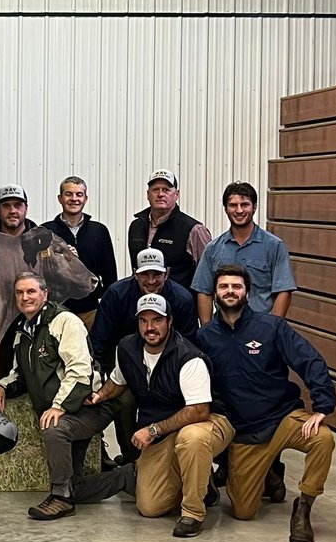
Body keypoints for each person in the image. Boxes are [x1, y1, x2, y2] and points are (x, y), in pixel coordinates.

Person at [196, 265, 336, 542]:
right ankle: (269, 470)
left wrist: (322, 406)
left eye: (236, 286)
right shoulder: (205, 337)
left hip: (283, 417)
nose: (230, 291)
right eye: (224, 287)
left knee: (323, 439)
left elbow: (310, 360)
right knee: (243, 511)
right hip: (246, 432)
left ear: (247, 292)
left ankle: (304, 506)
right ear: (215, 293)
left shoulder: (272, 327)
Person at [0, 272, 135, 522]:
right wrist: (1, 386)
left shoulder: (65, 321)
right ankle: (129, 477)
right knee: (73, 484)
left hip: (90, 407)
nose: (25, 297)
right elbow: (21, 375)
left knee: (54, 428)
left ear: (45, 294)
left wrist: (58, 406)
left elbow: (80, 370)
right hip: (68, 411)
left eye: (31, 291)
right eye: (19, 293)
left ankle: (61, 500)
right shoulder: (22, 332)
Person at [88, 294, 234, 538]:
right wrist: (99, 396)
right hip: (167, 430)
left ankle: (193, 512)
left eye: (157, 320)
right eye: (143, 321)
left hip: (207, 422)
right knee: (149, 507)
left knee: (192, 438)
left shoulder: (188, 357)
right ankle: (199, 481)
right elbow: (118, 381)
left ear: (169, 321)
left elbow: (199, 410)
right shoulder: (127, 348)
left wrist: (153, 430)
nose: (150, 327)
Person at [90, 248, 198, 464]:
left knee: (169, 400)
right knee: (124, 402)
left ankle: (169, 457)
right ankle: (132, 459)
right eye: (144, 274)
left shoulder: (183, 299)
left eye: (157, 274)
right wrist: (97, 378)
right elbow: (99, 341)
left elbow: (190, 346)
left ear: (167, 273)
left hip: (169, 364)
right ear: (134, 273)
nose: (151, 280)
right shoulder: (116, 294)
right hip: (128, 363)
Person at [192, 182, 296, 324]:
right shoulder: (212, 249)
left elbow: (284, 292)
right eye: (233, 205)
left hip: (261, 328)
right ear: (226, 209)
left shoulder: (274, 246)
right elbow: (204, 291)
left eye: (245, 204)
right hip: (223, 329)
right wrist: (207, 330)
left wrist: (272, 329)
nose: (239, 210)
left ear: (254, 208)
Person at [40, 176, 117, 329]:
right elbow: (40, 270)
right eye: (68, 194)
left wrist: (105, 303)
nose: (74, 199)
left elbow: (110, 274)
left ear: (85, 199)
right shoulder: (46, 231)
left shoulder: (99, 231)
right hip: (56, 311)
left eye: (79, 194)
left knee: (92, 345)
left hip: (91, 311)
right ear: (60, 198)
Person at [127, 169, 211, 290]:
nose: (160, 194)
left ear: (177, 194)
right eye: (155, 189)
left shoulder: (194, 230)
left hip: (178, 300)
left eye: (166, 190)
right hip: (141, 300)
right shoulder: (136, 226)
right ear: (148, 194)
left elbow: (207, 275)